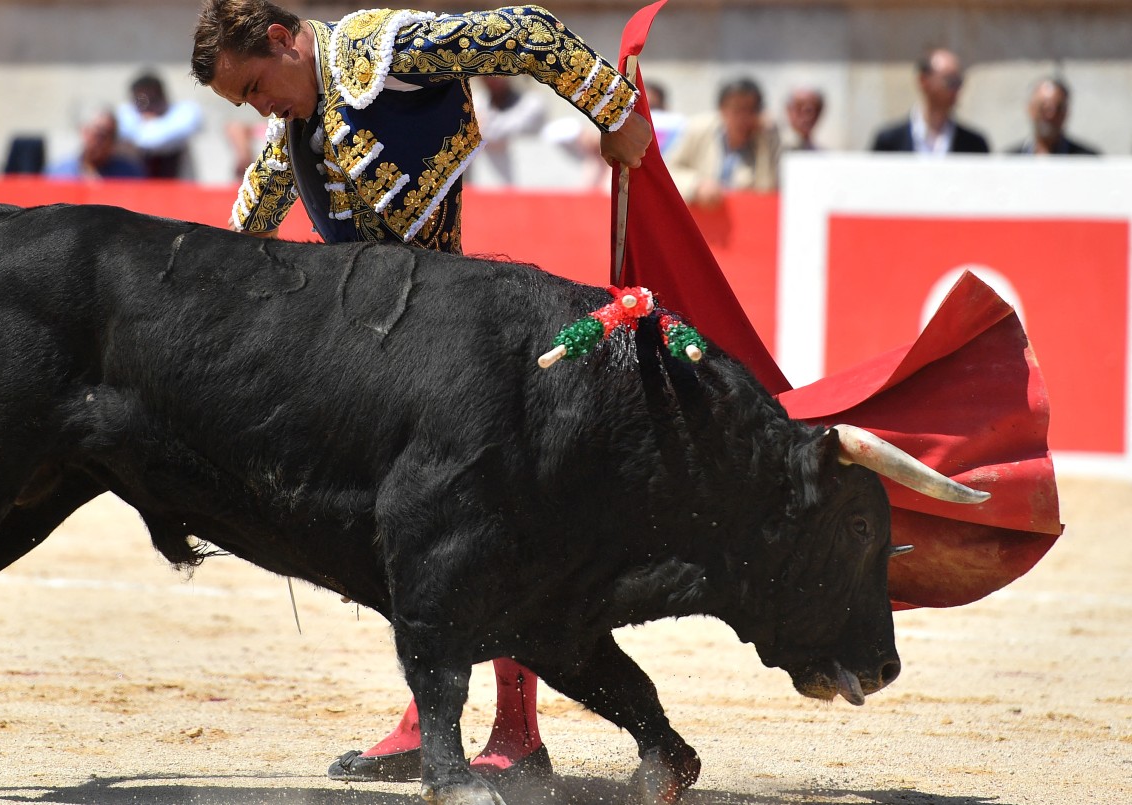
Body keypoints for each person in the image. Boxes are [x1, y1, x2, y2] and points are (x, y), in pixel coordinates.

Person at [190, 0, 651, 781]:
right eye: (246, 101)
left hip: (462, 342)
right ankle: (422, 716)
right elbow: (239, 242)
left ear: (280, 39)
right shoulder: (294, 125)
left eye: (257, 84)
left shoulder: (385, 50)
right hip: (391, 356)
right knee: (403, 542)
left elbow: (526, 33)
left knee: (484, 530)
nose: (260, 106)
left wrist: (615, 111)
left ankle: (517, 730)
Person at [665, 76, 781, 207]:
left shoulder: (763, 139)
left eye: (750, 110)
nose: (743, 117)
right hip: (697, 217)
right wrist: (696, 185)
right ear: (722, 109)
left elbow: (767, 190)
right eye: (737, 109)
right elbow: (667, 170)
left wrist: (767, 140)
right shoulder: (699, 129)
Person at [871, 48, 989, 154]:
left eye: (958, 82)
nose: (956, 89)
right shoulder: (890, 141)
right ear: (924, 81)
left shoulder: (974, 144)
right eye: (950, 81)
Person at [116, 72, 205, 179]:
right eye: (141, 101)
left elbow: (154, 140)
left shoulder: (182, 114)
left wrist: (147, 124)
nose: (148, 107)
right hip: (139, 190)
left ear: (163, 97)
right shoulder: (125, 114)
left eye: (153, 100)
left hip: (177, 187)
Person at [474, 75, 547, 186]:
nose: (493, 79)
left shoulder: (532, 102)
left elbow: (500, 133)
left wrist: (480, 127)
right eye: (486, 75)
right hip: (487, 185)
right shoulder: (477, 102)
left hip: (531, 181)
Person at [1007, 77, 1099, 156]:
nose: (1050, 115)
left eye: (1057, 109)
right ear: (1030, 109)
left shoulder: (1086, 160)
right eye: (1043, 108)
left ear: (1066, 112)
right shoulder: (1008, 160)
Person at [45, 108, 145, 179]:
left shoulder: (128, 173)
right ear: (84, 131)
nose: (104, 141)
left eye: (111, 135)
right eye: (100, 134)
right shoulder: (59, 172)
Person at [783, 86, 825, 151]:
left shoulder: (826, 154)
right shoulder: (775, 149)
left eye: (814, 109)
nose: (807, 116)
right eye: (799, 107)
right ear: (788, 110)